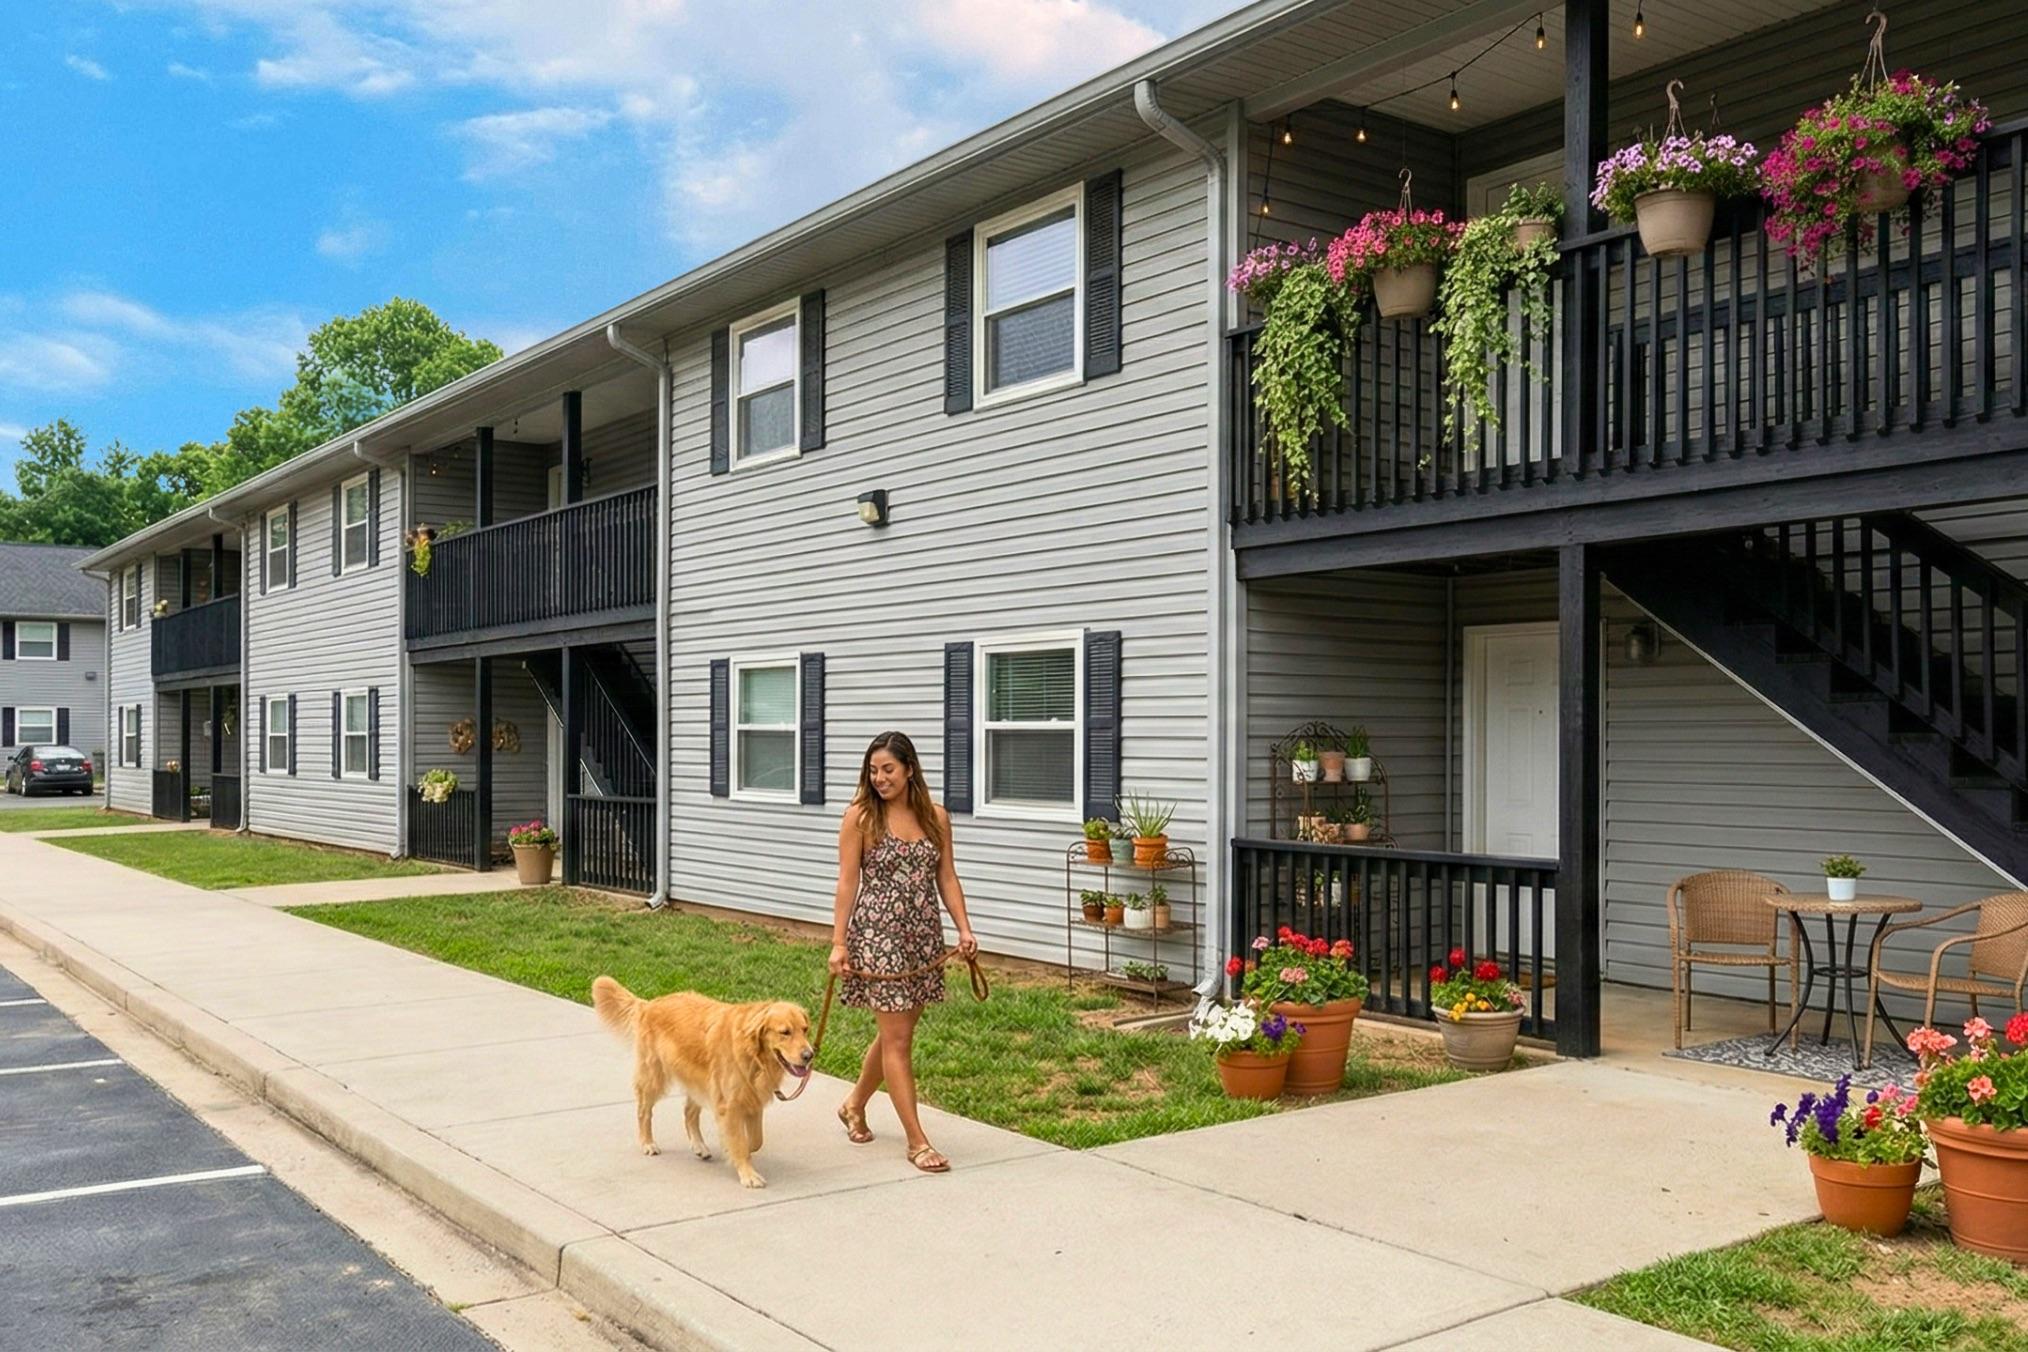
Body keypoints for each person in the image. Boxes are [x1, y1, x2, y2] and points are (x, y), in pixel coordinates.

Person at [830, 730, 977, 1173]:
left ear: (909, 768)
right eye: (873, 771)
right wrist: (839, 942)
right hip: (880, 937)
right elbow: (846, 881)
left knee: (895, 1034)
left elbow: (946, 878)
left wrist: (964, 930)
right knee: (899, 1040)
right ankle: (917, 1141)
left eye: (888, 769)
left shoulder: (936, 816)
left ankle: (854, 1103)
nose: (879, 778)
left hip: (922, 938)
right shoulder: (859, 817)